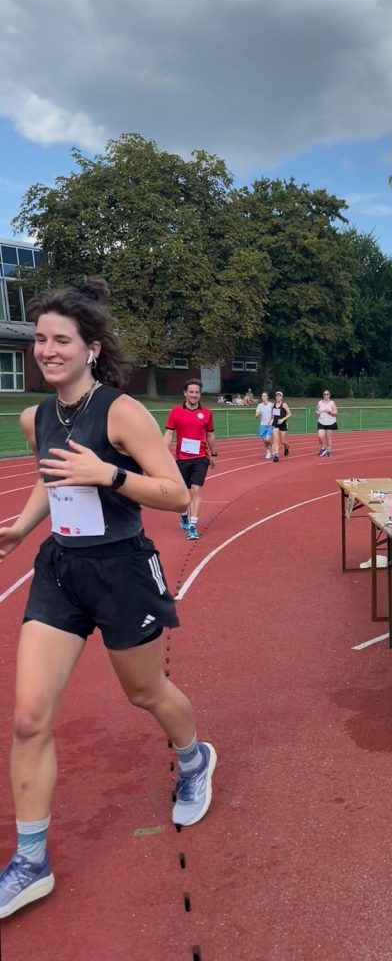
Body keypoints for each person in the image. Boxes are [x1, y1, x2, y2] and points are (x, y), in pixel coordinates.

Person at [0, 278, 216, 921]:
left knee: (144, 692)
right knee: (28, 718)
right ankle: (30, 860)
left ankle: (194, 758)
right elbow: (51, 479)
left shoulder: (122, 412)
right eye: (40, 339)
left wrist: (109, 474)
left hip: (122, 571)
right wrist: (21, 527)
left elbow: (173, 495)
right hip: (61, 571)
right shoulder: (35, 417)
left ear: (91, 348)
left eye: (61, 340)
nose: (47, 350)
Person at [163, 380, 218, 540]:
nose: (194, 395)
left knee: (196, 490)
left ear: (200, 394)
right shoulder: (176, 412)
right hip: (182, 458)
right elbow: (169, 433)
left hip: (200, 457)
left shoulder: (206, 413)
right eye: (191, 392)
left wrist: (214, 453)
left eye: (197, 392)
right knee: (181, 495)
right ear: (185, 393)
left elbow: (210, 434)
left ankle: (193, 526)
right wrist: (162, 452)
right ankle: (184, 515)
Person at [271, 391, 292, 461]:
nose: (278, 397)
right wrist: (271, 420)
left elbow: (289, 414)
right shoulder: (273, 405)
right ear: (275, 397)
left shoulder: (284, 405)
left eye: (279, 396)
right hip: (275, 423)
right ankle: (276, 455)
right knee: (276, 440)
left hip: (283, 424)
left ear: (282, 397)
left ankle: (286, 447)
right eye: (277, 396)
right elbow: (273, 415)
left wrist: (283, 419)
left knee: (282, 442)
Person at [316, 390, 338, 457]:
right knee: (320, 436)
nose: (326, 395)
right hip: (321, 421)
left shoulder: (332, 403)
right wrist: (318, 412)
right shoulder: (320, 402)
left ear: (329, 395)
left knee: (328, 437)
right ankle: (323, 447)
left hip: (330, 422)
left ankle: (328, 450)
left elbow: (336, 413)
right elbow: (317, 410)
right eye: (324, 394)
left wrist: (330, 412)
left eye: (327, 394)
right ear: (323, 395)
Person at [255, 392, 274, 460]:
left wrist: (271, 421)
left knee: (267, 439)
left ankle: (273, 447)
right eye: (262, 396)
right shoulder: (259, 405)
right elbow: (256, 414)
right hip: (262, 425)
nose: (263, 397)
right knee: (264, 441)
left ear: (267, 397)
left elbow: (274, 415)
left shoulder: (271, 405)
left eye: (265, 396)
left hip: (270, 425)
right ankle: (268, 453)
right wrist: (257, 415)